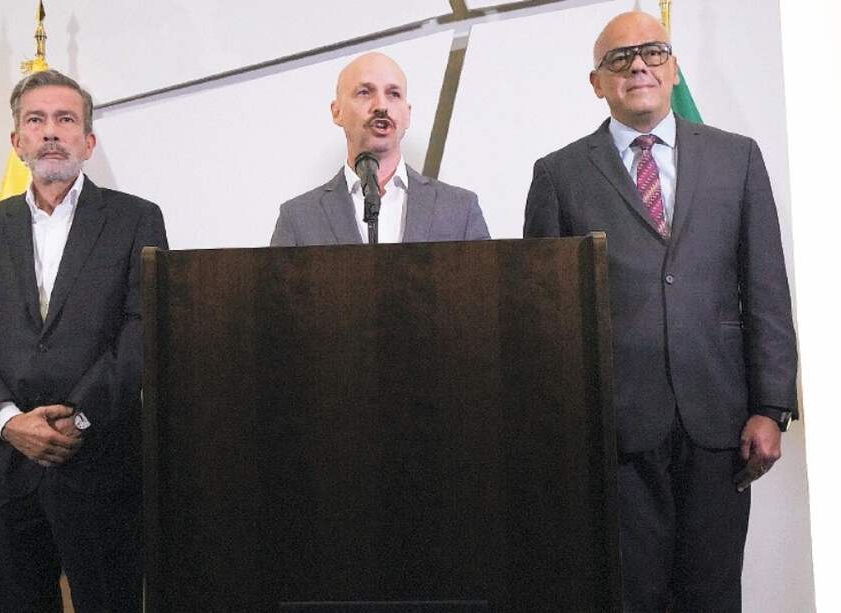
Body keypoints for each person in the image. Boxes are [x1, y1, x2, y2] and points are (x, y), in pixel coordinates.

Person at [523, 11, 797, 613]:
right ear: (597, 82)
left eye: (653, 52)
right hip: (613, 434)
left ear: (673, 68)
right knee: (627, 598)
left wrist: (772, 407)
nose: (638, 66)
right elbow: (546, 320)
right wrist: (560, 432)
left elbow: (766, 288)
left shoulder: (737, 158)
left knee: (712, 596)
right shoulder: (559, 175)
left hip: (721, 423)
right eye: (619, 58)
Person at [0, 69, 168, 612]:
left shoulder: (136, 218)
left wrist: (80, 417)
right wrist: (7, 420)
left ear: (88, 141)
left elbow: (144, 328)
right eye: (35, 120)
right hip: (7, 468)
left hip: (100, 464)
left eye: (65, 119)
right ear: (16, 141)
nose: (50, 131)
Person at [271, 52, 489, 246]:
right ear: (337, 112)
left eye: (393, 94)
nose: (381, 106)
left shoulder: (460, 209)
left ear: (407, 114)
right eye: (365, 92)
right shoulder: (298, 218)